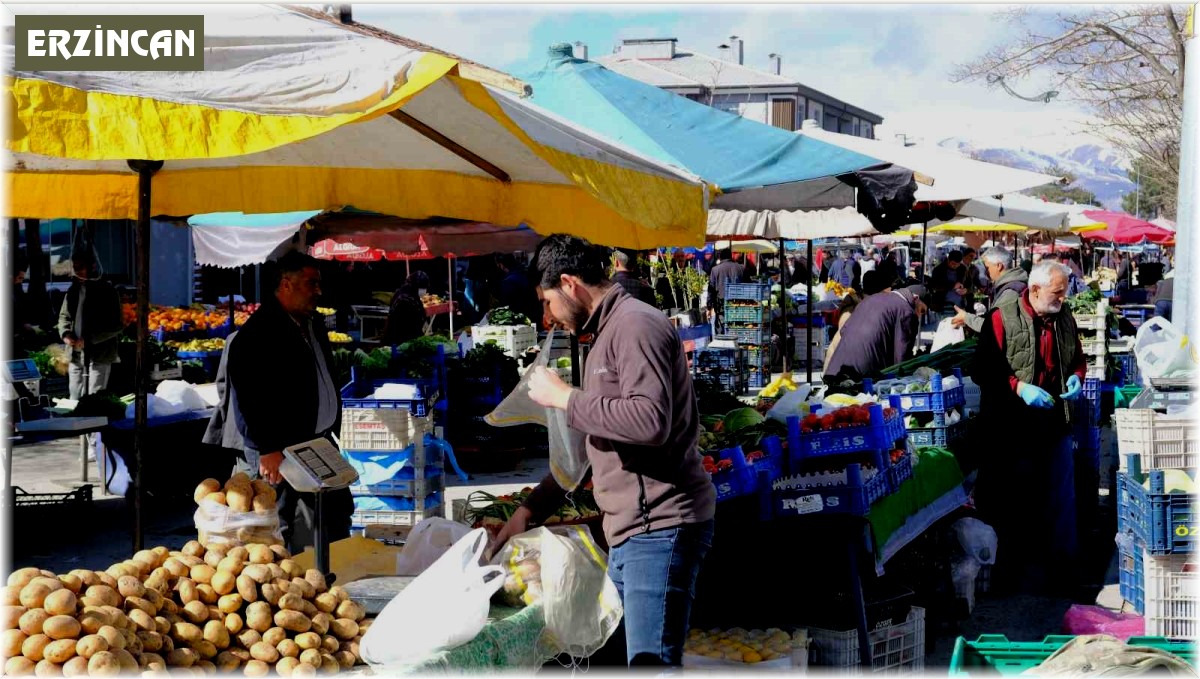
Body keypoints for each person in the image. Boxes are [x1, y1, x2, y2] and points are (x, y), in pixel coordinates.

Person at [488, 234, 715, 667]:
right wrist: (528, 512)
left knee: (650, 664)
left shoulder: (635, 326)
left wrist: (566, 399)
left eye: (548, 302)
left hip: (661, 527)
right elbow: (591, 449)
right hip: (632, 532)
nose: (547, 316)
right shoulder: (605, 333)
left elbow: (649, 421)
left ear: (570, 284)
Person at [226, 251, 353, 554]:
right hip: (279, 449)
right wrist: (267, 447)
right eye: (312, 283)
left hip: (316, 441)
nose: (318, 291)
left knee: (335, 514)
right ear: (286, 284)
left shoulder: (312, 323)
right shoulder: (258, 334)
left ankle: (332, 573)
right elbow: (248, 397)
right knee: (276, 525)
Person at [972, 260, 1086, 593]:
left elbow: (1077, 358)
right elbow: (983, 369)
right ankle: (1011, 574)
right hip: (1012, 426)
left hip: (1053, 421)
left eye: (1064, 293)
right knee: (1015, 501)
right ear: (1034, 290)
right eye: (1057, 293)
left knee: (1061, 499)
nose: (1062, 300)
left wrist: (1078, 377)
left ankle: (1062, 573)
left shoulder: (1064, 318)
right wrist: (1019, 388)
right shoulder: (1001, 316)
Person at [823, 285, 927, 382]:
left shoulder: (871, 299)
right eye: (922, 311)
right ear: (915, 298)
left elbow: (843, 330)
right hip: (861, 378)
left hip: (834, 370)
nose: (919, 315)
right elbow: (902, 358)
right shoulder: (906, 310)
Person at [57, 250, 124, 399]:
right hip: (75, 353)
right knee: (74, 396)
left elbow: (116, 325)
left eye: (80, 268)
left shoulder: (107, 291)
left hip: (100, 354)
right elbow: (64, 316)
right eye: (74, 268)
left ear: (92, 267)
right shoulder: (73, 290)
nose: (76, 272)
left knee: (95, 396)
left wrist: (89, 340)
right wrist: (65, 333)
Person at [951, 247, 1029, 333]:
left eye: (987, 268)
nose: (986, 272)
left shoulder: (1010, 293)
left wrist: (966, 317)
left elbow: (995, 327)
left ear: (999, 266)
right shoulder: (1011, 286)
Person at [382, 271, 430, 345]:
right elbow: (407, 324)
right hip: (400, 340)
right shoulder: (405, 299)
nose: (424, 291)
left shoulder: (410, 295)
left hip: (404, 339)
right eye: (422, 288)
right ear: (416, 286)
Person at [496, 253, 542, 323]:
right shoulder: (527, 274)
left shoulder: (508, 282)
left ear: (501, 265)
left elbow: (506, 308)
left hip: (520, 323)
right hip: (535, 318)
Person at [707, 248, 746, 329]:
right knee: (737, 332)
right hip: (738, 307)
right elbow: (748, 285)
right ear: (731, 256)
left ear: (720, 257)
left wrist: (709, 307)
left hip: (722, 308)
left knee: (722, 335)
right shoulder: (741, 268)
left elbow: (711, 291)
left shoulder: (715, 270)